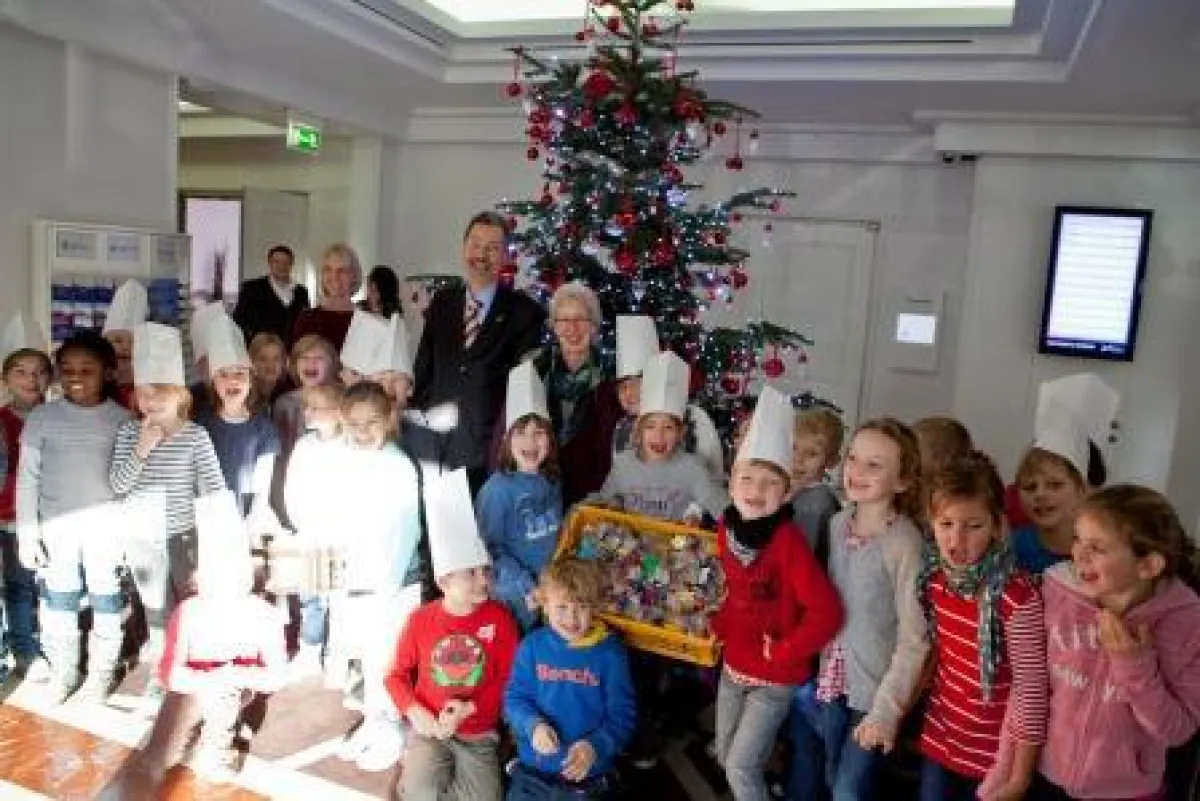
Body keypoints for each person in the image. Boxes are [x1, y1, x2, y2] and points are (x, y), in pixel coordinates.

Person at [711, 387, 844, 801]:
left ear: (787, 493)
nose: (755, 489)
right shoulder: (723, 530)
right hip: (732, 666)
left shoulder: (789, 543)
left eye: (770, 483)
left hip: (775, 677)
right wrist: (714, 624)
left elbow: (827, 612)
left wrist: (786, 650)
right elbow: (721, 587)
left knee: (740, 765)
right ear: (731, 483)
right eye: (747, 478)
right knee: (725, 755)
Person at [1028, 484, 1200, 801]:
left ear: (1148, 566)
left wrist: (1134, 664)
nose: (1079, 553)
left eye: (1098, 547)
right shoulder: (1057, 593)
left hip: (1127, 791)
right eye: (1077, 538)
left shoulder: (1185, 622)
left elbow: (1177, 730)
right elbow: (1029, 686)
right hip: (1046, 775)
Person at [789, 417, 930, 801]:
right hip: (832, 680)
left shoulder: (905, 545)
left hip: (875, 692)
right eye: (853, 459)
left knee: (849, 790)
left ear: (901, 481)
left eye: (874, 465)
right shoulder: (836, 525)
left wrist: (887, 710)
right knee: (833, 774)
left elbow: (915, 638)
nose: (857, 471)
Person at [917, 452, 1048, 801]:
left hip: (995, 756)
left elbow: (1031, 693)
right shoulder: (932, 580)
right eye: (946, 524)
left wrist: (1019, 778)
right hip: (942, 738)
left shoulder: (1017, 598)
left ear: (997, 526)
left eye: (973, 526)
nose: (956, 540)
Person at [134, 490, 287, 784]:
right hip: (193, 687)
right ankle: (199, 731)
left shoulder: (264, 616)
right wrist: (209, 680)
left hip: (234, 688)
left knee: (216, 741)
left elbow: (277, 676)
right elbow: (170, 674)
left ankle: (219, 739)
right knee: (158, 760)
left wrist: (236, 675)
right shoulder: (190, 611)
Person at [386, 469, 521, 801]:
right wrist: (417, 713)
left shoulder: (501, 620)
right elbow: (394, 676)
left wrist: (468, 709)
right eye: (471, 574)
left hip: (478, 733)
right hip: (430, 729)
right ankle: (413, 772)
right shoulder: (420, 620)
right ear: (444, 580)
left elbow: (509, 679)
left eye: (485, 572)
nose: (483, 582)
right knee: (420, 790)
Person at [16, 331, 131, 702]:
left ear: (108, 372)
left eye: (87, 369)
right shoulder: (43, 418)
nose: (76, 378)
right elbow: (28, 479)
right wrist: (28, 533)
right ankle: (64, 672)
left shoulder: (122, 419)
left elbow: (130, 481)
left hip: (107, 530)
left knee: (107, 601)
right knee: (59, 602)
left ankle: (100, 674)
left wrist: (129, 536)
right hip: (57, 530)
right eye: (67, 371)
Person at [110, 323, 226, 684]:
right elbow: (118, 485)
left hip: (184, 536)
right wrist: (142, 449)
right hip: (142, 538)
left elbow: (214, 489)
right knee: (156, 611)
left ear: (180, 394)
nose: (152, 402)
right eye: (145, 394)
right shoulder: (130, 432)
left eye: (160, 393)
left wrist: (219, 539)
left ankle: (192, 669)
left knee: (190, 607)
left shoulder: (195, 436)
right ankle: (165, 677)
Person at [322, 381, 424, 772]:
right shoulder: (344, 461)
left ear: (389, 420)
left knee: (388, 658)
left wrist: (386, 583)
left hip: (390, 583)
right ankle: (373, 719)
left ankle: (392, 729)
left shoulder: (397, 465)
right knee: (367, 656)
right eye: (354, 423)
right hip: (356, 578)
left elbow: (405, 530)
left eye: (372, 422)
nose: (362, 432)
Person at [412, 212, 546, 494]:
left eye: (493, 248)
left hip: (488, 453)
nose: (481, 254)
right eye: (475, 244)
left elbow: (524, 385)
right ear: (464, 248)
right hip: (434, 447)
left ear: (506, 257)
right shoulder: (442, 303)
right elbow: (424, 368)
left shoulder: (525, 313)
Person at [504, 557, 637, 800]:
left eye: (582, 607)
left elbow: (623, 716)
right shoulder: (531, 647)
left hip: (589, 776)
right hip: (534, 771)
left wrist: (595, 746)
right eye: (562, 608)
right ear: (544, 605)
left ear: (594, 607)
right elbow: (515, 699)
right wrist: (533, 726)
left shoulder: (610, 653)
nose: (572, 618)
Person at [590, 351, 728, 525]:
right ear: (638, 432)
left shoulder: (694, 469)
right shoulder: (623, 464)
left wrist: (696, 512)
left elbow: (724, 511)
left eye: (668, 427)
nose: (659, 436)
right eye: (650, 426)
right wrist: (611, 506)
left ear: (680, 433)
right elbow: (606, 499)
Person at [477, 362, 562, 631]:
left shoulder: (553, 479)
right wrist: (525, 584)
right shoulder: (497, 490)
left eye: (539, 434)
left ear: (550, 439)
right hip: (514, 600)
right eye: (521, 433)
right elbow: (488, 549)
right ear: (506, 440)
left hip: (549, 594)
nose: (530, 443)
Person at [1012, 374, 1119, 575]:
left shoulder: (1103, 555)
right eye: (1029, 487)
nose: (1040, 495)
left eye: (1055, 485)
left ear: (1085, 490)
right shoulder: (1013, 547)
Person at [192, 313, 282, 532]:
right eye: (223, 374)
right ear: (214, 382)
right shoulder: (199, 424)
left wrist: (252, 522)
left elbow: (262, 488)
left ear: (251, 380)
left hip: (248, 519)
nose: (232, 380)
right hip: (206, 518)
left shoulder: (265, 430)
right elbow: (195, 476)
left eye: (240, 374)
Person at [610, 314, 724, 482]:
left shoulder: (695, 418)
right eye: (623, 387)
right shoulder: (622, 429)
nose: (629, 393)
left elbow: (713, 475)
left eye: (636, 383)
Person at [0, 314, 51, 676]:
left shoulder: (57, 419)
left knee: (23, 589)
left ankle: (25, 650)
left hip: (32, 521)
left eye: (38, 372)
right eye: (21, 371)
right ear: (6, 379)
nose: (31, 380)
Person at [789, 407, 845, 566]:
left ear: (831, 461)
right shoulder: (792, 488)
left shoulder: (816, 502)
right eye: (794, 448)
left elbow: (801, 561)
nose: (798, 459)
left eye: (812, 453)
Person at [232, 244, 311, 349]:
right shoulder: (252, 288)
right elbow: (238, 322)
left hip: (292, 352)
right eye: (276, 262)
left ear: (291, 264)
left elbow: (306, 323)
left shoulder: (301, 292)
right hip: (260, 351)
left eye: (286, 262)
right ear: (269, 263)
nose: (281, 266)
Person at [291, 243, 362, 352]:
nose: (334, 277)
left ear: (354, 275)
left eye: (341, 270)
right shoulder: (306, 319)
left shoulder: (366, 321)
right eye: (328, 269)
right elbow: (296, 362)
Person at [102, 279, 148, 411]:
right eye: (117, 340)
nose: (126, 347)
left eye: (134, 342)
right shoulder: (94, 386)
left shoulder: (148, 389)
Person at [248, 332, 290, 413]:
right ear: (251, 362)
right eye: (263, 359)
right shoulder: (245, 397)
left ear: (283, 362)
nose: (270, 365)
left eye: (276, 358)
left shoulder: (285, 394)